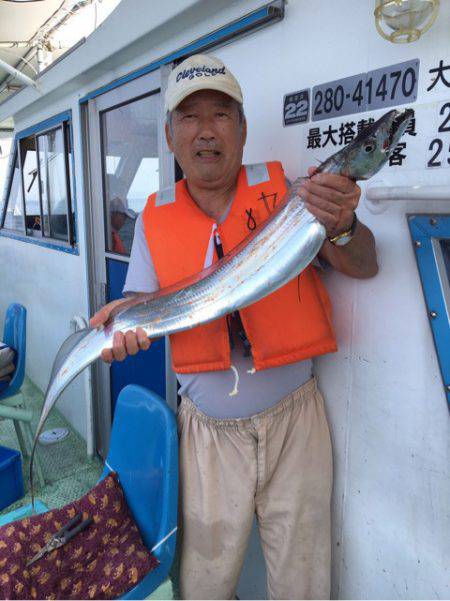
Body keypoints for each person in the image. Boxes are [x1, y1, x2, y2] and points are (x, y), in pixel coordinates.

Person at [90, 54, 378, 600]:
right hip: (207, 435)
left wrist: (343, 228)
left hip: (298, 423)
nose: (205, 132)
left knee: (304, 580)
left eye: (221, 115)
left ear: (243, 130)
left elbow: (366, 266)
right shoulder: (155, 219)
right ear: (170, 136)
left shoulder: (293, 197)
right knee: (205, 583)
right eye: (189, 117)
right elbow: (138, 305)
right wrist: (122, 329)